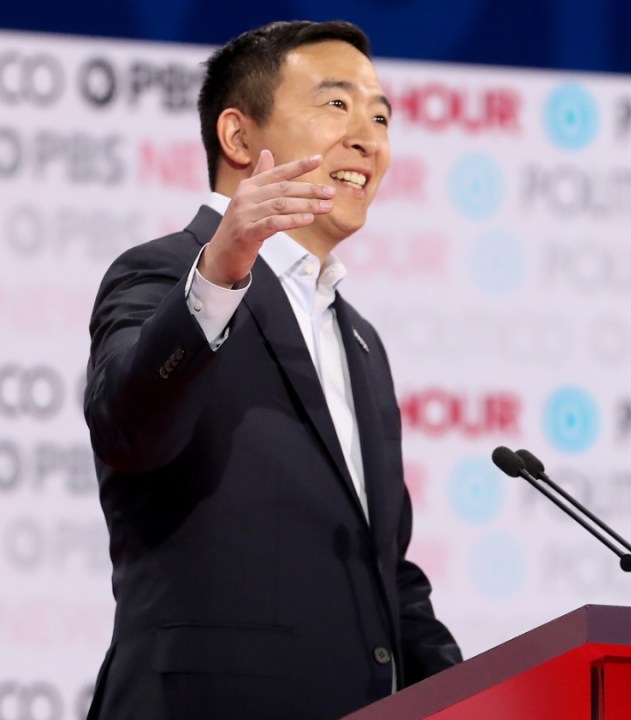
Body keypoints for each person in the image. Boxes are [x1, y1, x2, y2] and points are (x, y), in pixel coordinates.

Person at [83, 21, 460, 719]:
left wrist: (473, 692)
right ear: (238, 138)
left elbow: (387, 575)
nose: (369, 138)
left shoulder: (362, 342)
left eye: (381, 116)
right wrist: (221, 270)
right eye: (337, 105)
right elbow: (127, 427)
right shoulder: (163, 272)